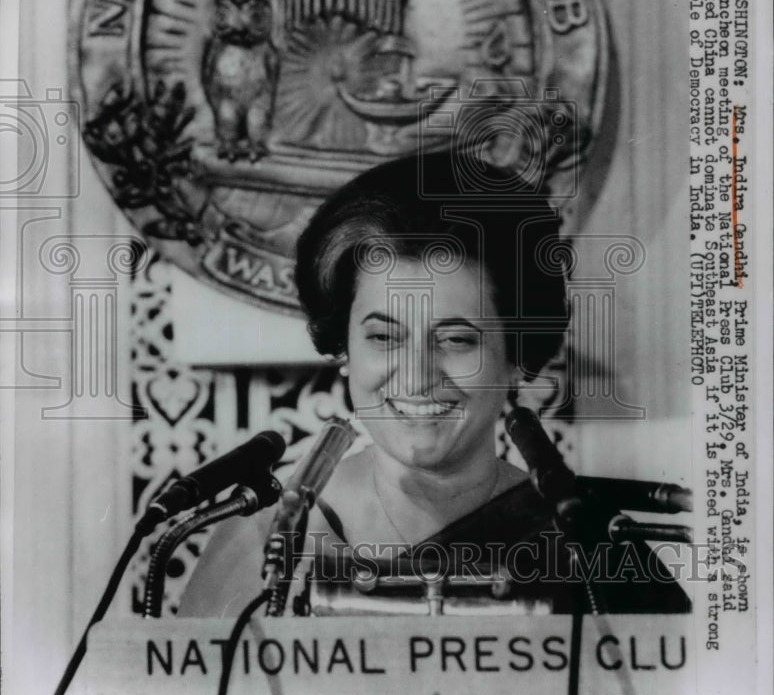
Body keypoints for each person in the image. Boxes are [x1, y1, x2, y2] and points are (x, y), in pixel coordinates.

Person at [178, 148, 690, 617]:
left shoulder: (588, 543)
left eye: (457, 340)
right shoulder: (266, 541)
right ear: (344, 350)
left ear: (516, 356)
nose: (418, 376)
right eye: (384, 338)